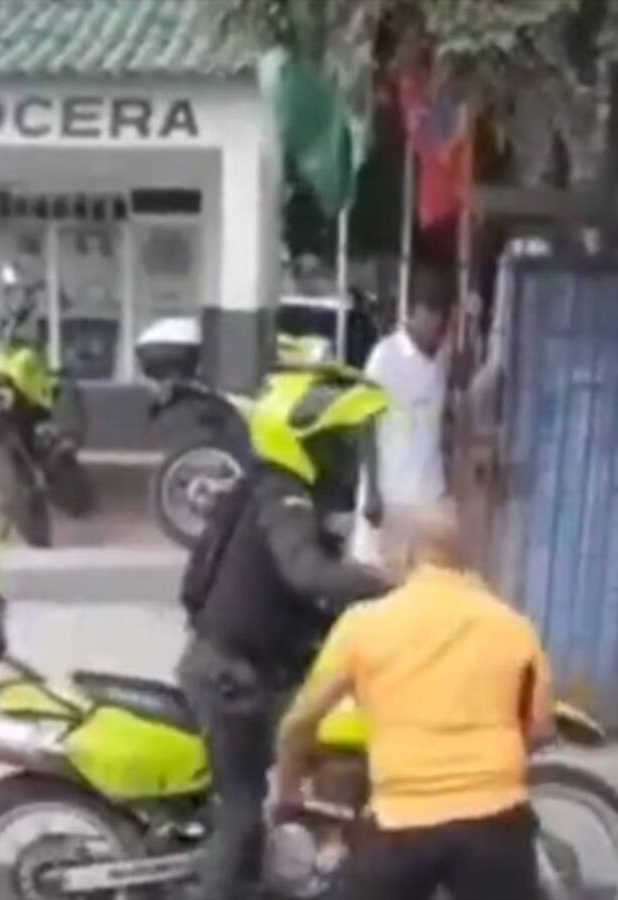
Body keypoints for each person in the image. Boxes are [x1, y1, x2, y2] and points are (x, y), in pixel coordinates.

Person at [176, 366, 394, 900]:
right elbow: (307, 573)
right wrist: (394, 588)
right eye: (336, 442)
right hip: (233, 679)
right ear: (303, 443)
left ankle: (317, 852)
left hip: (256, 668)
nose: (345, 455)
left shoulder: (275, 491)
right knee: (243, 809)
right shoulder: (282, 497)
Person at [275, 503, 554, 900]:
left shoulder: (365, 623)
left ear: (407, 555)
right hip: (496, 821)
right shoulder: (513, 626)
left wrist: (289, 789)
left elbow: (300, 722)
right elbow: (540, 727)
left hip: (401, 825)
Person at [349, 264, 453, 566]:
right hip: (390, 497)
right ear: (413, 311)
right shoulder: (385, 357)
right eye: (430, 313)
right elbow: (365, 421)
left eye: (441, 315)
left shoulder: (441, 361)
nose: (436, 324)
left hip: (428, 497)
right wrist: (372, 490)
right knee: (383, 580)